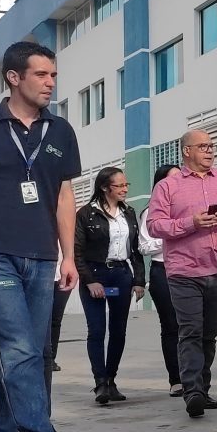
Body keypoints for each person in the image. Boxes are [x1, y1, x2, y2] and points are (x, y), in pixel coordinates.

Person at [0, 41, 80, 432]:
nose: (50, 83)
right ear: (13, 77)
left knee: (31, 354)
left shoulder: (60, 131)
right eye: (41, 75)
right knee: (16, 350)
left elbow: (63, 195)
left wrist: (68, 255)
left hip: (41, 256)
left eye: (53, 75)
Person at [147, 130, 217, 418]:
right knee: (190, 331)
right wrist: (191, 223)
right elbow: (155, 225)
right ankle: (192, 391)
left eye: (212, 146)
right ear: (186, 151)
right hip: (184, 269)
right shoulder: (168, 186)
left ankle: (203, 387)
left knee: (209, 334)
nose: (210, 150)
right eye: (203, 146)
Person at [74, 167, 145, 404]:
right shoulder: (86, 214)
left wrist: (138, 281)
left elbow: (135, 250)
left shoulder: (129, 213)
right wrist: (90, 281)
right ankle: (100, 383)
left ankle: (111, 379)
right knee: (97, 330)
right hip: (95, 274)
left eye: (127, 185)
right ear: (105, 187)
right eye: (120, 185)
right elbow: (77, 252)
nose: (125, 189)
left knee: (118, 330)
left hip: (120, 276)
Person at [140, 165, 183, 395]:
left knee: (193, 326)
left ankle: (194, 377)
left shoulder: (187, 208)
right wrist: (172, 236)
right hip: (162, 270)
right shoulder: (150, 212)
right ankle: (175, 379)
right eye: (173, 179)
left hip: (188, 268)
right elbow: (144, 246)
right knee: (171, 325)